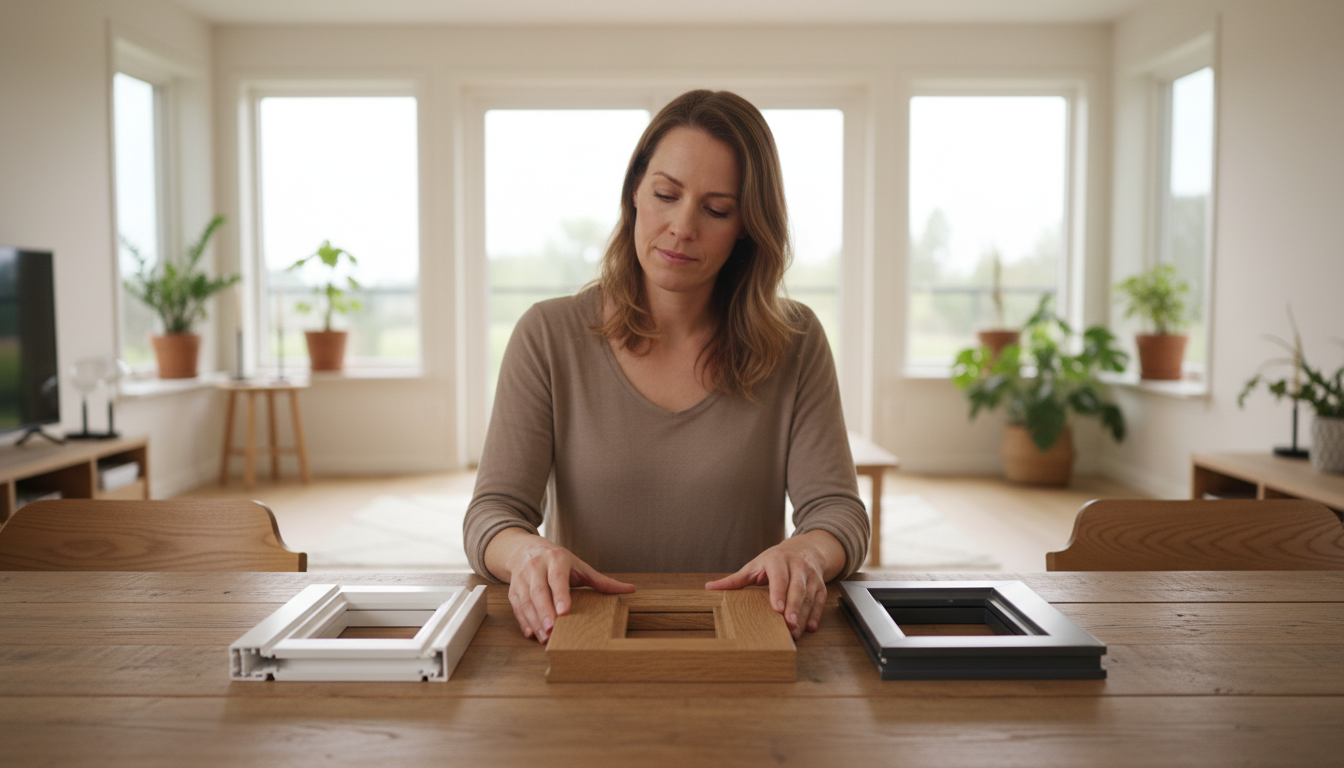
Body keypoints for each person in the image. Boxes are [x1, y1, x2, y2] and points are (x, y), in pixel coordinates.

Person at [464, 89, 868, 645]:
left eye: (716, 209)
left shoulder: (796, 341)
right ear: (635, 192)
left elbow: (839, 513)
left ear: (748, 223)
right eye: (665, 194)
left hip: (748, 649)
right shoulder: (547, 335)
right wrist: (528, 553)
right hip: (582, 646)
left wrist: (807, 550)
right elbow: (492, 514)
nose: (682, 226)